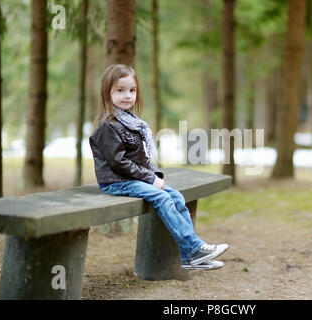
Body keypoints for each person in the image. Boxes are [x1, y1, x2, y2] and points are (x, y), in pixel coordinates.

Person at [89, 64, 228, 270]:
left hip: (132, 178)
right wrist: (150, 179)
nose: (127, 95)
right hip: (116, 181)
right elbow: (119, 163)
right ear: (107, 92)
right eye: (120, 90)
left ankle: (190, 256)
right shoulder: (108, 126)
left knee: (177, 196)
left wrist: (153, 175)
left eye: (132, 90)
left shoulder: (132, 122)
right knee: (162, 197)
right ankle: (193, 248)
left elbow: (141, 158)